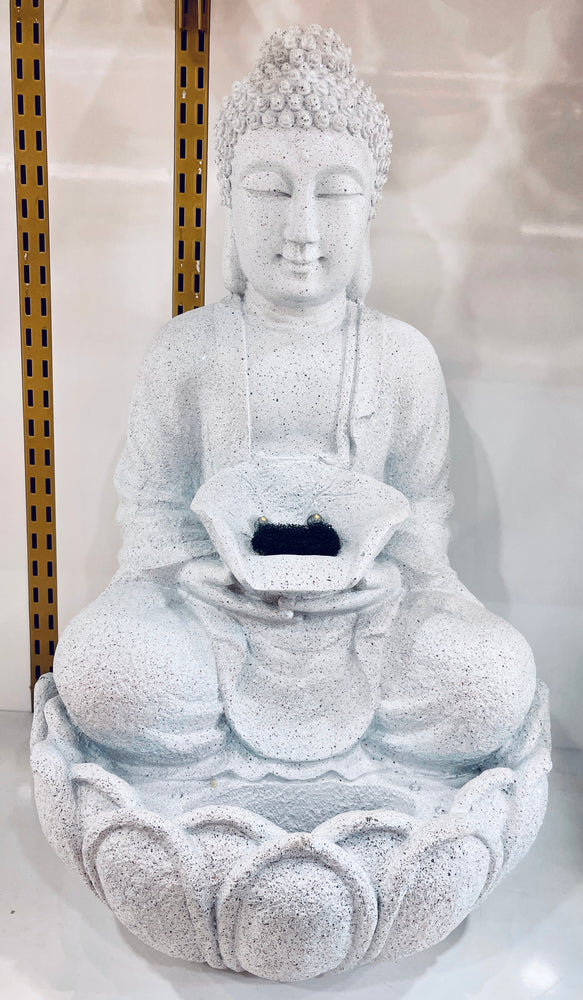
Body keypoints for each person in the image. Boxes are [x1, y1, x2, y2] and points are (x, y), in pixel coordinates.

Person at [53, 26, 536, 776]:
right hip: (215, 615)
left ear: (368, 205)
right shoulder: (187, 349)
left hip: (364, 619)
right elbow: (151, 512)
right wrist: (193, 572)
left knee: (489, 678)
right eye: (271, 191)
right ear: (231, 201)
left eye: (334, 194)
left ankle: (225, 771)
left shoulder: (399, 354)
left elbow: (421, 519)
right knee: (106, 670)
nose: (301, 230)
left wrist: (385, 576)